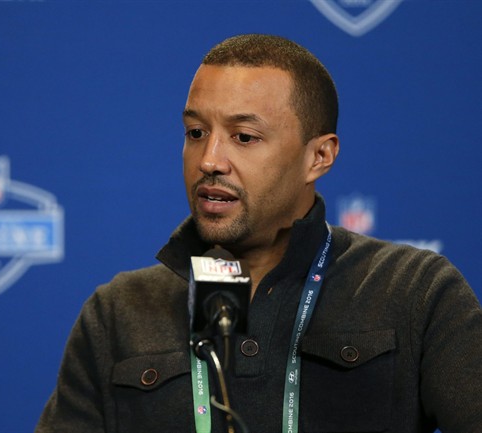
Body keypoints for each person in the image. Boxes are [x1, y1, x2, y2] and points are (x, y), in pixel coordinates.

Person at [35, 34, 482, 433]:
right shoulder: (116, 312)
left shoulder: (415, 290)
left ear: (319, 157)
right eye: (196, 132)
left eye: (244, 137)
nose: (209, 160)